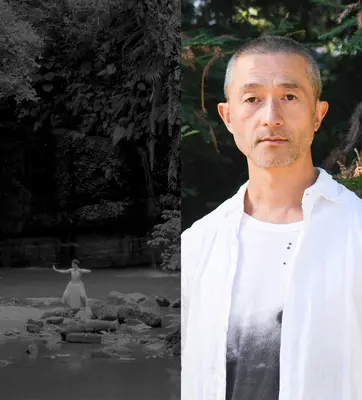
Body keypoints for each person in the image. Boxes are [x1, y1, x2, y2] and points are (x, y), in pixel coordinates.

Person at [181, 35, 362, 400]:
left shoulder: (355, 231)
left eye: (289, 97)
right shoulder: (198, 244)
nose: (271, 118)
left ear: (317, 114)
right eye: (252, 99)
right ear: (228, 116)